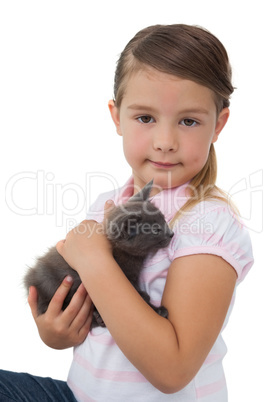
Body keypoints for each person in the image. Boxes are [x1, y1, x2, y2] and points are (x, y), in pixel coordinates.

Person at [0, 24, 253, 401]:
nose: (165, 142)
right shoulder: (109, 201)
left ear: (218, 124)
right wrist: (54, 332)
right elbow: (91, 320)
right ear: (116, 117)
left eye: (188, 121)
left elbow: (173, 370)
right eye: (145, 118)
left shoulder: (207, 223)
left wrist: (96, 262)